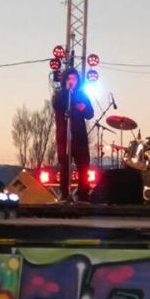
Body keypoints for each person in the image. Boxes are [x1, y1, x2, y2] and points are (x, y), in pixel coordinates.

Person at [52, 68, 94, 202]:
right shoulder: (59, 95)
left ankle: (83, 195)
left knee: (83, 165)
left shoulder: (82, 95)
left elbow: (90, 114)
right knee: (64, 165)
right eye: (69, 79)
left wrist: (84, 108)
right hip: (64, 136)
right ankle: (65, 194)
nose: (72, 81)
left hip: (79, 136)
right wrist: (73, 103)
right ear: (65, 80)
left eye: (74, 79)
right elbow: (58, 106)